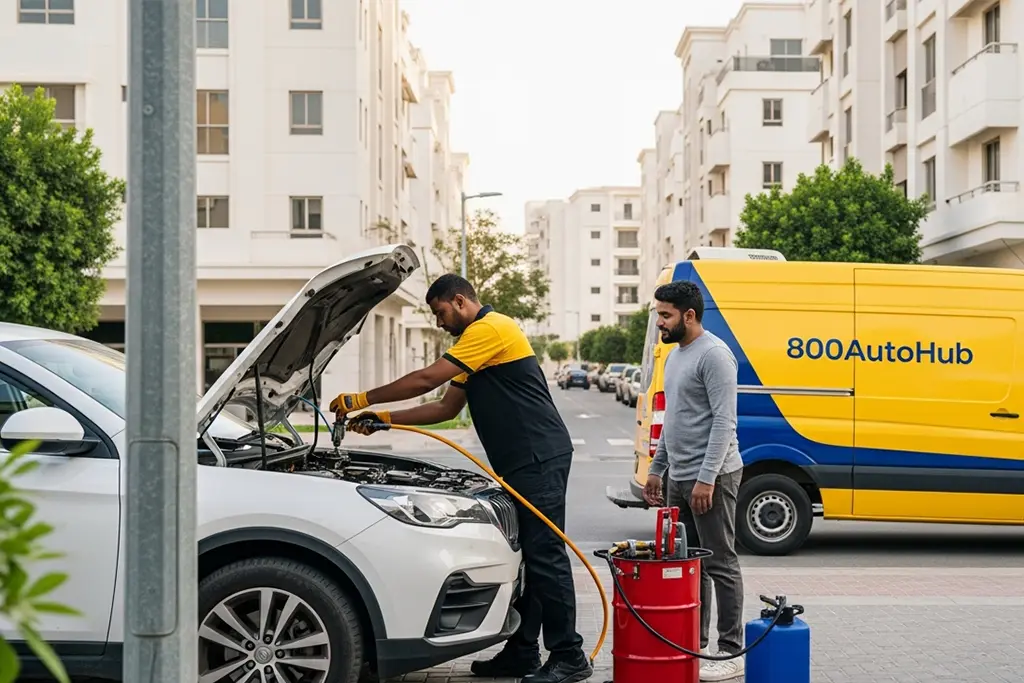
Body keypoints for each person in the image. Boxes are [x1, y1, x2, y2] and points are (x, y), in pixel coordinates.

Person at [330, 273, 592, 683]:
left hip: (538, 456)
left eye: (439, 313)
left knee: (547, 557)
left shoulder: (492, 328)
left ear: (459, 301)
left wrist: (362, 398)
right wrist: (383, 420)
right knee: (533, 559)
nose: (438, 322)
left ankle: (569, 655)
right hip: (523, 460)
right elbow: (445, 408)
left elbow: (426, 379)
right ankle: (523, 653)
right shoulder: (477, 343)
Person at [642, 280, 745, 683]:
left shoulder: (715, 355)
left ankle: (731, 649)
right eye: (658, 315)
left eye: (665, 316)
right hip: (679, 477)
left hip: (713, 476)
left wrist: (706, 479)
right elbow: (674, 419)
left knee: (720, 563)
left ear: (689, 315)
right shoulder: (675, 356)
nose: (660, 323)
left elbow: (724, 422)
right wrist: (656, 468)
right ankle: (695, 644)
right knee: (687, 566)